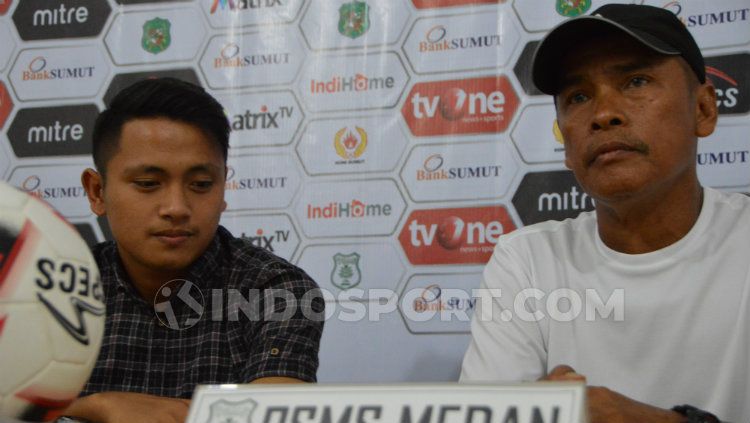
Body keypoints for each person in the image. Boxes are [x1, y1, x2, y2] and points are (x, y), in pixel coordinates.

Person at [461, 4, 748, 423]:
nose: (602, 114)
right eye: (578, 96)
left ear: (703, 110)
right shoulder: (526, 261)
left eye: (635, 80)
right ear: (564, 141)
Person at [62, 78, 324, 422]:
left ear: (223, 187)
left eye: (201, 184)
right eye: (148, 184)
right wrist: (97, 406)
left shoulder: (277, 289)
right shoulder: (50, 289)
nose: (177, 207)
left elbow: (276, 415)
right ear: (97, 191)